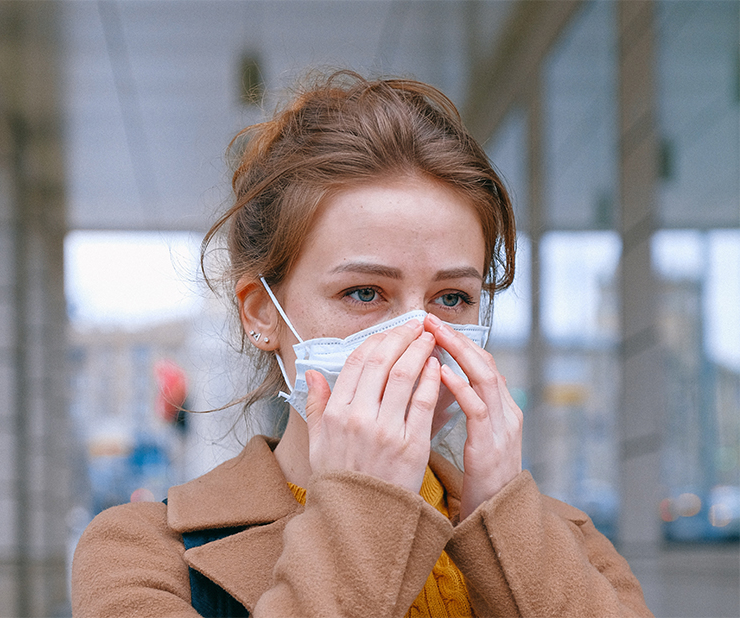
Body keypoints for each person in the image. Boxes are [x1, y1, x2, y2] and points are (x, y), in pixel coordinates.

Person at [72, 71, 652, 618]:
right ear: (261, 313)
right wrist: (365, 509)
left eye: (452, 298)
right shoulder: (142, 552)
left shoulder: (570, 543)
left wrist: (502, 521)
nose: (413, 337)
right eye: (365, 292)